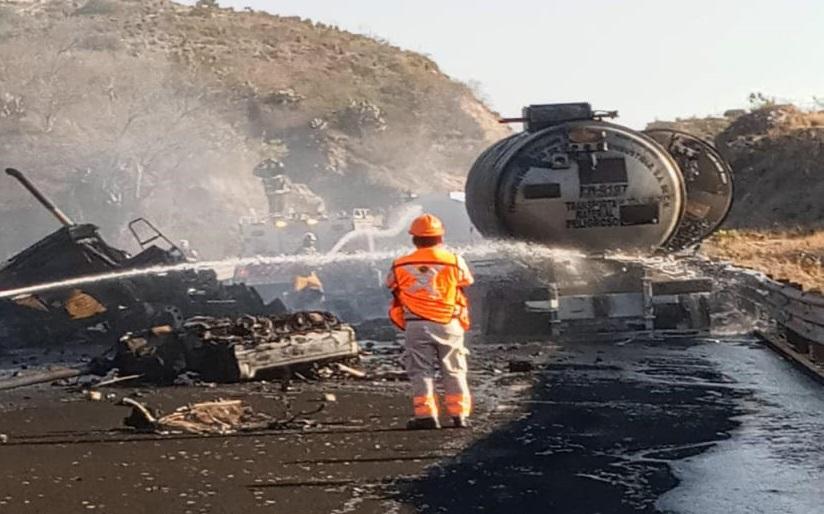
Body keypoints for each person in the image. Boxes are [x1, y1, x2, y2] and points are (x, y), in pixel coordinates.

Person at [386, 213, 474, 430]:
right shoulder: (454, 261)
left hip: (416, 323)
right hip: (448, 322)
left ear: (414, 239)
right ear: (440, 238)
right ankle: (459, 415)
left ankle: (426, 417)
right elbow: (466, 281)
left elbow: (391, 284)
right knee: (454, 368)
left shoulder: (399, 264)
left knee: (421, 370)